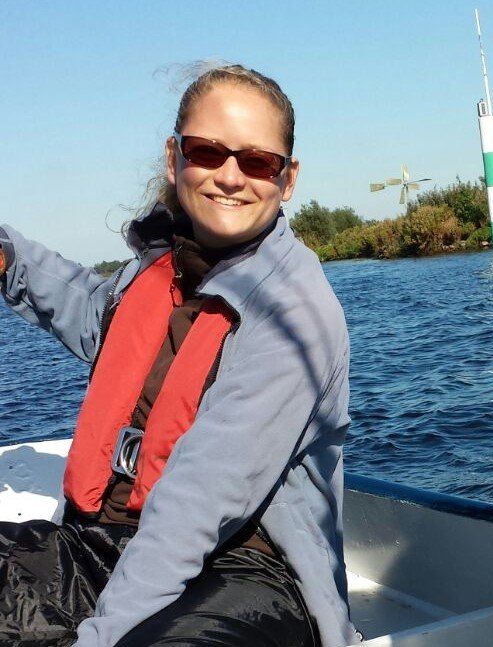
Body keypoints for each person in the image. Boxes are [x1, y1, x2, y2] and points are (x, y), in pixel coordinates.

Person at [0, 64, 362, 647]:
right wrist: (9, 258)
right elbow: (90, 311)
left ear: (287, 179)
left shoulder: (295, 314)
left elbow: (198, 504)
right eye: (207, 152)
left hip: (245, 573)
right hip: (101, 550)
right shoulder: (157, 271)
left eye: (257, 161)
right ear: (175, 159)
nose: (230, 177)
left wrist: (101, 636)